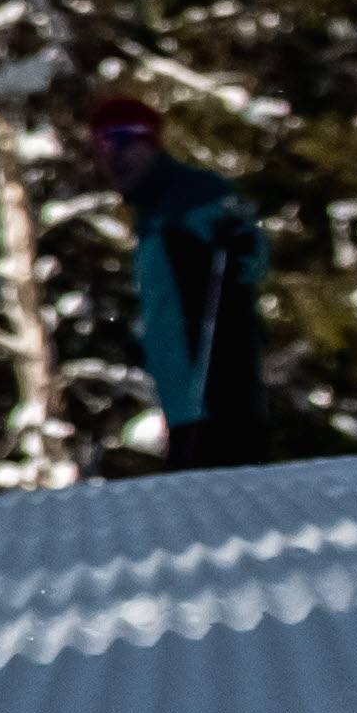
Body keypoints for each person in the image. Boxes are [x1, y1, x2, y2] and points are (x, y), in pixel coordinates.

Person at [85, 93, 282, 466]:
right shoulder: (149, 213)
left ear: (152, 143)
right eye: (103, 143)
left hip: (217, 394)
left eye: (126, 139)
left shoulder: (191, 194)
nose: (114, 154)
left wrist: (239, 240)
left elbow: (250, 253)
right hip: (182, 401)